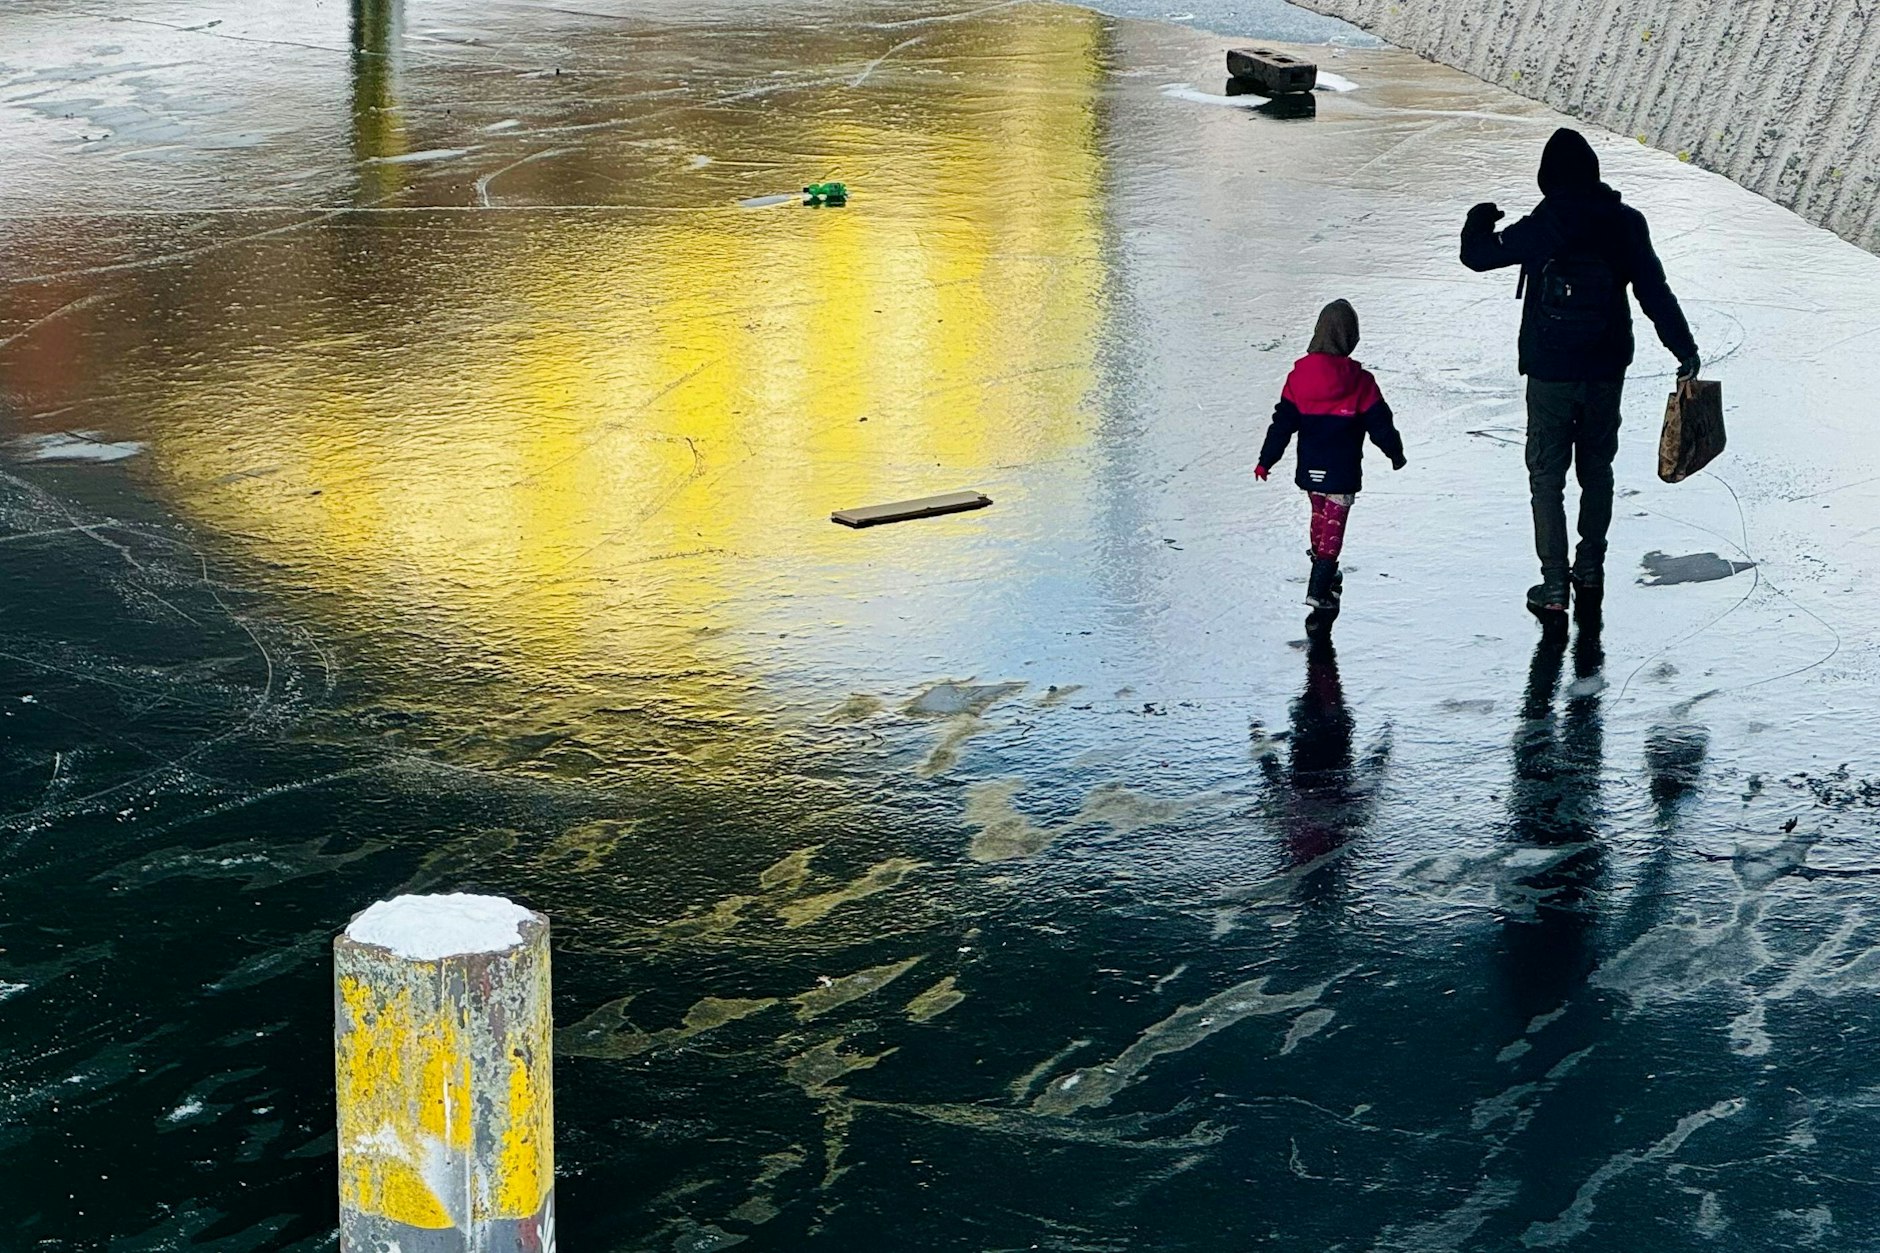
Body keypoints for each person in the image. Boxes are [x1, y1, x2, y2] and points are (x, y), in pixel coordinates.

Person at [1460, 127, 1701, 622]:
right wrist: (1685, 349)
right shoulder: (1625, 223)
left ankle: (1553, 585)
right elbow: (1655, 293)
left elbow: (1477, 256)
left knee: (1546, 474)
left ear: (1549, 177)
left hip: (1549, 371)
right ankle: (1590, 567)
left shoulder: (1545, 224)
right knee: (1597, 470)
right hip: (1605, 368)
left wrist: (1480, 218)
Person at [1254, 299, 1406, 626]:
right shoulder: (1360, 382)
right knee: (1334, 526)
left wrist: (1266, 461)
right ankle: (1319, 588)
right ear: (1350, 337)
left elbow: (1281, 424)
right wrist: (1395, 453)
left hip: (1310, 469)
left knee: (1319, 516)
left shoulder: (1298, 378)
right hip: (1342, 470)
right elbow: (1381, 423)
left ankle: (1322, 573)